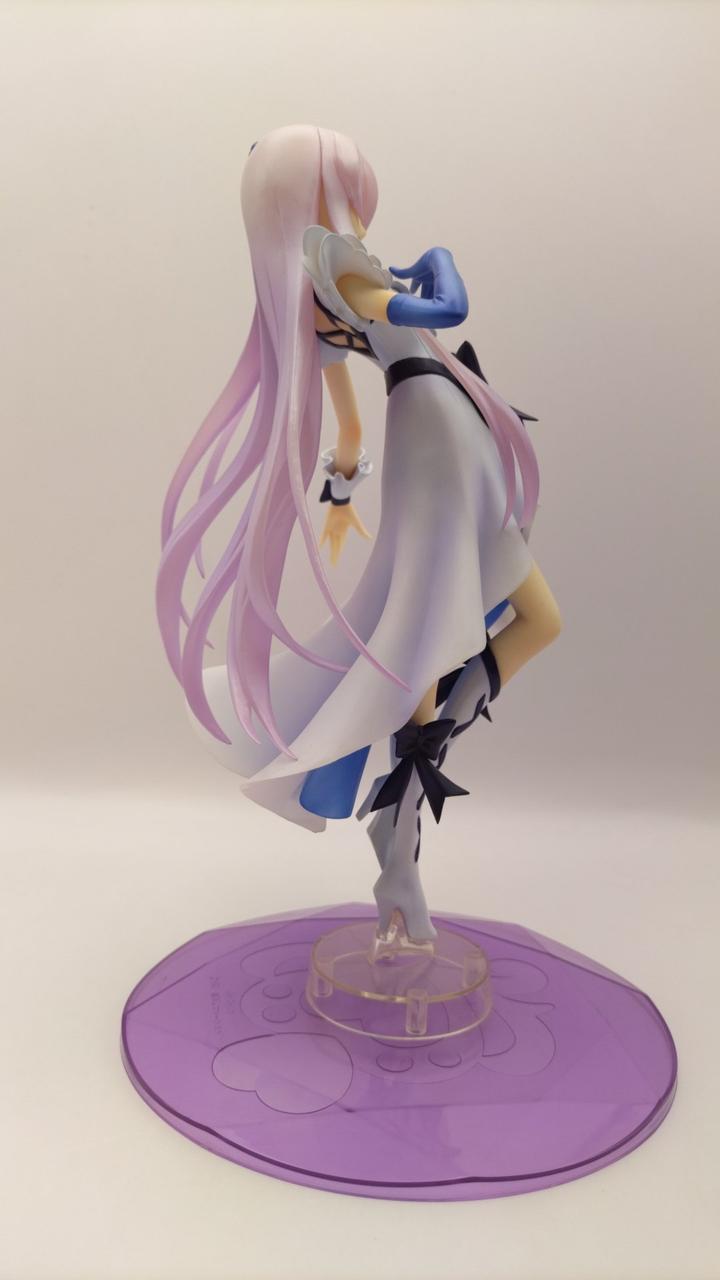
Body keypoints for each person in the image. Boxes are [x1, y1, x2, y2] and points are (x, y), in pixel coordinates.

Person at [156, 124, 562, 943]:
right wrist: (439, 255)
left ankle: (407, 789)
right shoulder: (335, 266)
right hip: (436, 442)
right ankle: (400, 835)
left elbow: (345, 421)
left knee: (531, 621)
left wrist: (342, 494)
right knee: (425, 637)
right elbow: (446, 309)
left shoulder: (322, 278)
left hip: (447, 433)